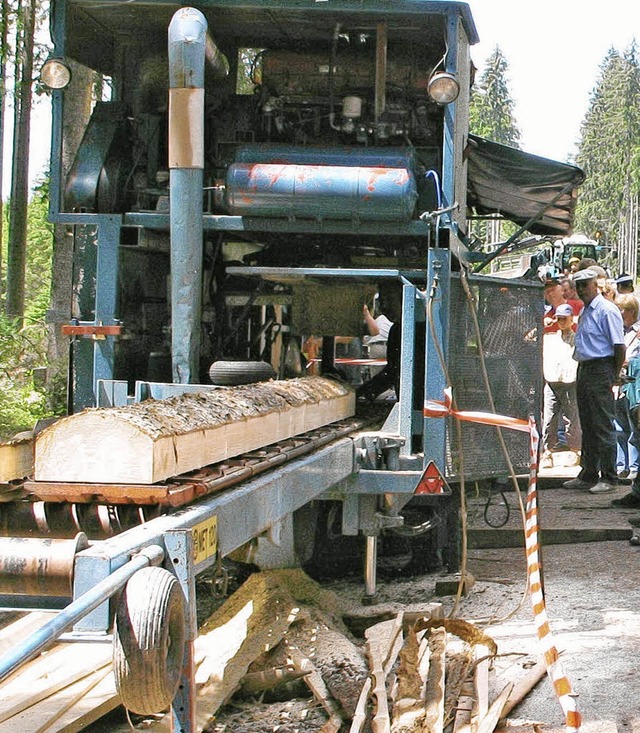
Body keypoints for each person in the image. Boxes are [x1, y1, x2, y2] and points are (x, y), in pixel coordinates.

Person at [563, 268, 625, 494]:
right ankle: (588, 473)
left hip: (601, 368)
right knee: (587, 423)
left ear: (595, 285)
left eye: (585, 286)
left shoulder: (606, 310)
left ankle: (609, 477)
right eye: (578, 287)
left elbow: (619, 346)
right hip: (585, 368)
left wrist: (614, 374)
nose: (581, 291)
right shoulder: (588, 311)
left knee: (602, 424)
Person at [541, 303, 581, 469]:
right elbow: (528, 337)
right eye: (559, 318)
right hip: (552, 381)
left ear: (571, 319)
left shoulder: (577, 339)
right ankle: (547, 451)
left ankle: (576, 450)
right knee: (549, 419)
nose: (562, 321)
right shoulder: (549, 338)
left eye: (565, 318)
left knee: (572, 418)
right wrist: (542, 323)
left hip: (570, 382)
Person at [610, 294, 640, 504]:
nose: (621, 314)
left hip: (635, 384)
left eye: (624, 310)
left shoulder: (638, 332)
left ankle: (635, 468)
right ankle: (622, 465)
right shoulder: (617, 331)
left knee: (634, 430)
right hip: (619, 385)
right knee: (619, 427)